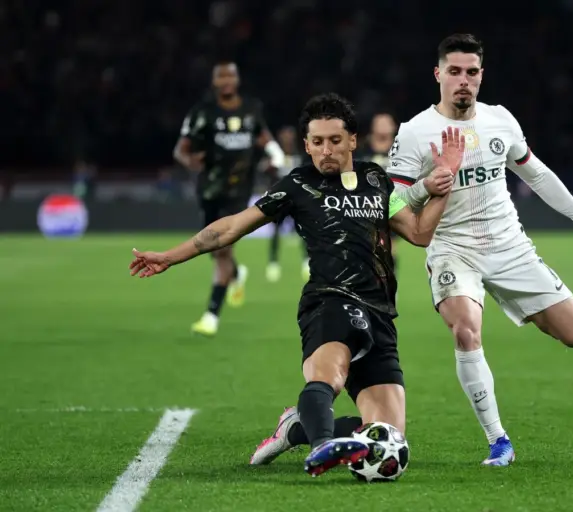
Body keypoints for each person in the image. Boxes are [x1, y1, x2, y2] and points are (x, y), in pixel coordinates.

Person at [130, 93, 464, 477]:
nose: (326, 151)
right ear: (306, 145)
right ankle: (322, 447)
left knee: (389, 434)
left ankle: (295, 428)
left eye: (335, 141)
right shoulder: (298, 185)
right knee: (328, 377)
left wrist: (445, 183)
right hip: (329, 300)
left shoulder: (376, 180)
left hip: (380, 312)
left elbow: (419, 233)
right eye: (317, 142)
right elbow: (231, 227)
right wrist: (171, 256)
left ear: (353, 140)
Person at [385, 34, 573, 467]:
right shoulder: (416, 131)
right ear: (438, 74)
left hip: (509, 247)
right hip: (454, 250)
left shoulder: (500, 120)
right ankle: (498, 440)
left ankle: (517, 302)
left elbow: (538, 175)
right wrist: (428, 184)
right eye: (454, 71)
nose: (463, 80)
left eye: (471, 72)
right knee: (465, 330)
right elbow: (391, 200)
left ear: (482, 76)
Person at [173, 60, 285, 337]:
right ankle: (236, 274)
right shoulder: (203, 113)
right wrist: (190, 161)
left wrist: (276, 154)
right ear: (214, 81)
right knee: (213, 248)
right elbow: (181, 150)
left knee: (222, 249)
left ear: (237, 79)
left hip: (238, 191)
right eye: (220, 76)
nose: (226, 80)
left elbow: (264, 137)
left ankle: (211, 316)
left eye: (230, 75)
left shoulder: (251, 110)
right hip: (210, 190)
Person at [265, 125, 310, 283]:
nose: (288, 139)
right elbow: (267, 173)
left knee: (304, 231)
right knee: (276, 232)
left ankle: (306, 262)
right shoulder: (276, 157)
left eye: (290, 136)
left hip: (297, 200)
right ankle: (273, 263)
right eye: (285, 136)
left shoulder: (300, 157)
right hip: (279, 200)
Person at [361, 113, 401, 276]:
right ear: (373, 127)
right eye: (380, 123)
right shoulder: (362, 150)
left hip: (393, 204)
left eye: (386, 123)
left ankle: (390, 279)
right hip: (365, 206)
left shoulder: (401, 150)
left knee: (390, 247)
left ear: (394, 127)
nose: (383, 127)